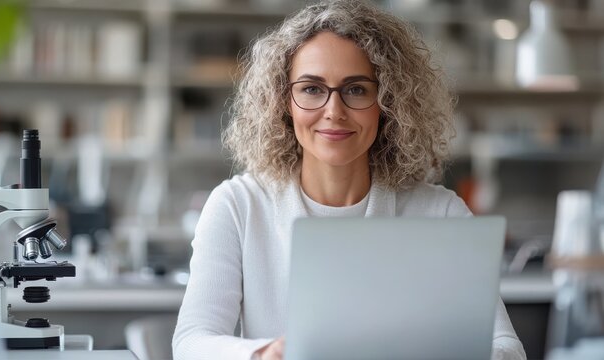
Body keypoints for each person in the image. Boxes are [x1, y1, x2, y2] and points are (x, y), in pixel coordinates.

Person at [172, 1, 527, 359]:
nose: (333, 111)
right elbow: (191, 342)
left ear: (388, 102)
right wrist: (265, 354)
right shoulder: (238, 206)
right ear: (285, 101)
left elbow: (507, 348)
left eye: (356, 89)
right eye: (312, 89)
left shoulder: (440, 213)